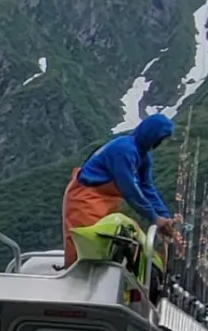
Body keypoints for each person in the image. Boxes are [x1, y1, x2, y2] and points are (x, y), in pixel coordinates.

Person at [62, 112, 178, 265]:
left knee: (103, 246)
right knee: (84, 244)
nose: (160, 143)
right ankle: (74, 275)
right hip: (84, 199)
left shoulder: (142, 156)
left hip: (105, 202)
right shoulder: (125, 151)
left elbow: (147, 187)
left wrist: (164, 216)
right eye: (160, 139)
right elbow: (130, 189)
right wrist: (155, 218)